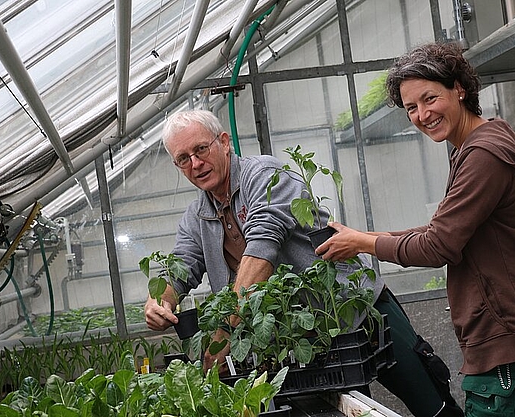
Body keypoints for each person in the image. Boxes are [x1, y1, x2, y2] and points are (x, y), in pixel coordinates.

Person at [316, 42, 515, 417]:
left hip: (512, 340)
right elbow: (444, 231)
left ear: (459, 88)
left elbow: (438, 246)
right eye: (411, 107)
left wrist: (365, 243)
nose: (422, 114)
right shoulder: (484, 143)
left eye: (429, 98)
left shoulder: (482, 156)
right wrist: (366, 237)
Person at [144, 109, 463, 416]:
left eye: (200, 149)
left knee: (431, 404)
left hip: (359, 311)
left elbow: (263, 244)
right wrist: (160, 301)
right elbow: (181, 264)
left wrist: (225, 333)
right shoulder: (196, 217)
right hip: (304, 338)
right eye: (183, 159)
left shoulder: (264, 175)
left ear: (224, 142)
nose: (196, 163)